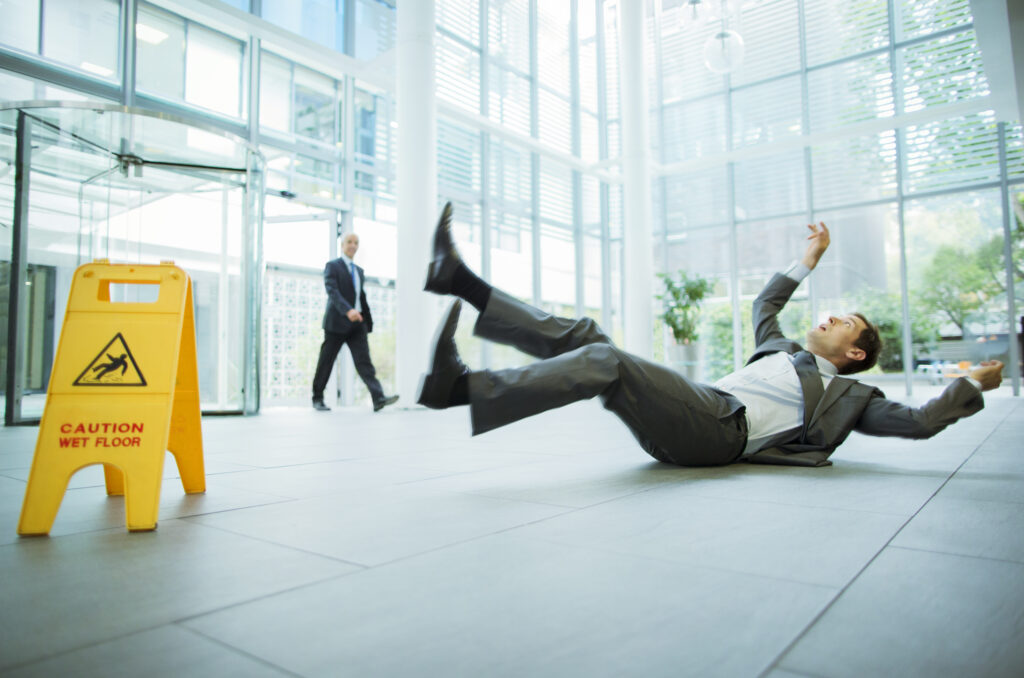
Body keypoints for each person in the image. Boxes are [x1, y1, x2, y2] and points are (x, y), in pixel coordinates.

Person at [415, 203, 1004, 467]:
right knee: (593, 337)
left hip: (720, 434)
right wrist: (809, 260)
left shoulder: (854, 401)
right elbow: (766, 301)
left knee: (605, 360)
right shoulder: (779, 347)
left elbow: (922, 423)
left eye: (844, 322)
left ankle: (459, 389)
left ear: (855, 353)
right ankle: (460, 280)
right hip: (698, 406)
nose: (827, 317)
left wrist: (974, 382)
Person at [311, 232, 398, 412]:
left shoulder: (358, 271)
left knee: (364, 362)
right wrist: (347, 310)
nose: (353, 245)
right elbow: (332, 291)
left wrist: (366, 320)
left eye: (356, 243)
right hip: (336, 323)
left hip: (357, 323)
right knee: (326, 361)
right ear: (342, 245)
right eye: (349, 242)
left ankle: (378, 398)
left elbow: (360, 296)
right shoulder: (332, 266)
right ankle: (318, 398)